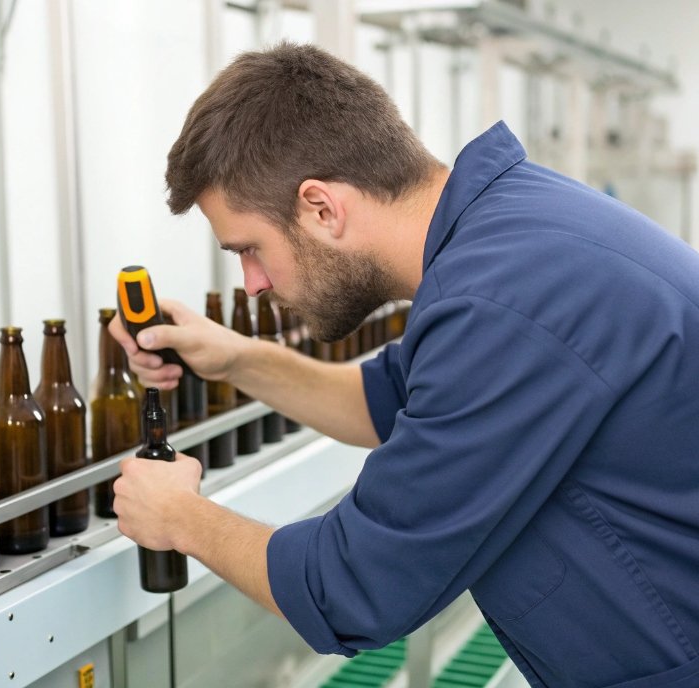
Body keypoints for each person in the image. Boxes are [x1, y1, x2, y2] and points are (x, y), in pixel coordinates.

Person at [109, 42, 699, 688]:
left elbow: (354, 588)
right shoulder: (502, 234)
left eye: (250, 249)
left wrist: (182, 518)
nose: (251, 283)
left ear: (321, 208)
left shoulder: (502, 302)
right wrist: (235, 357)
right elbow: (383, 400)